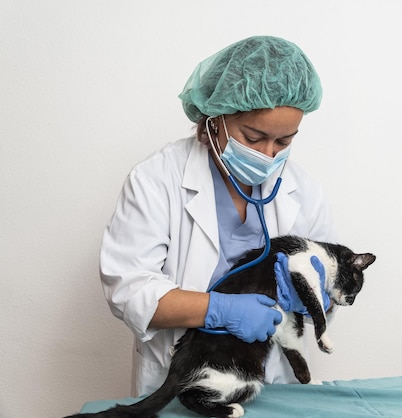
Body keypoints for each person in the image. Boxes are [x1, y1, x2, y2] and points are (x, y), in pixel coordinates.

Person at [99, 36, 336, 397]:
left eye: (284, 142)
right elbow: (129, 291)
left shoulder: (303, 191)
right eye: (254, 137)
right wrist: (219, 309)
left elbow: (325, 297)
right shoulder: (156, 180)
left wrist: (317, 297)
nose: (269, 155)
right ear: (216, 119)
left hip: (273, 380)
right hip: (182, 377)